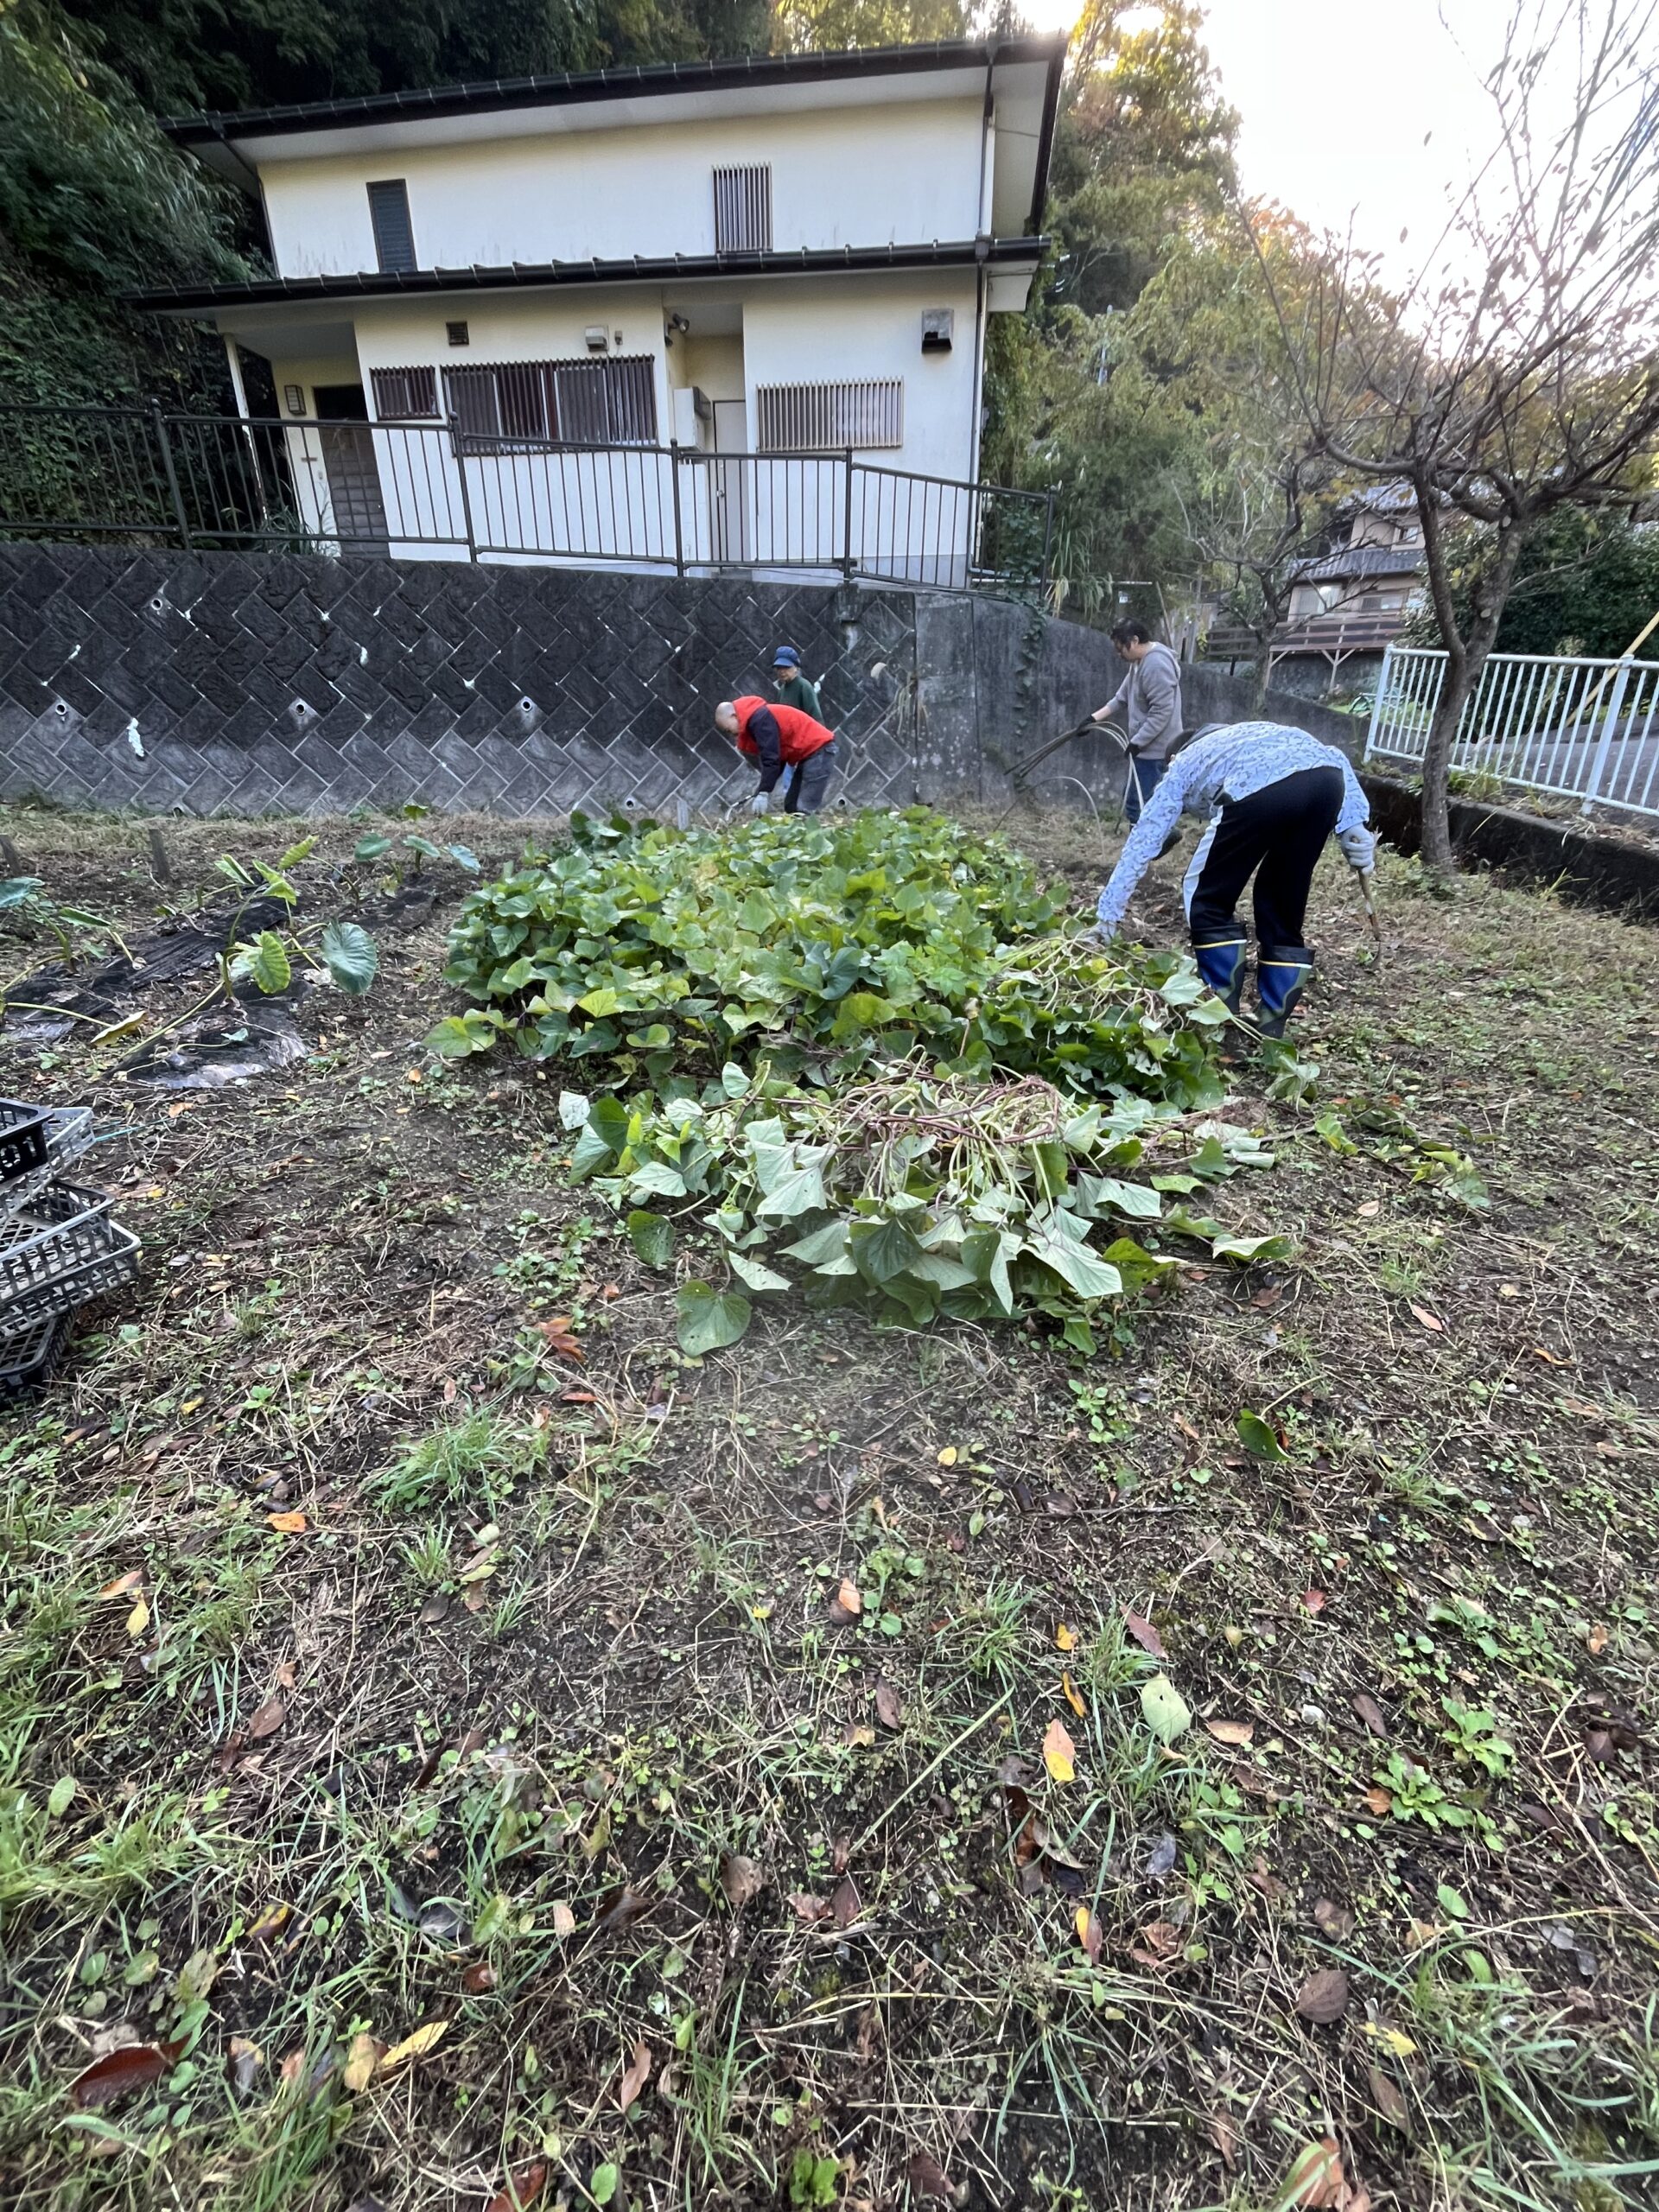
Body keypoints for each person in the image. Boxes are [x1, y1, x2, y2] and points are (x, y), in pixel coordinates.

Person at [1093, 720, 1377, 1037]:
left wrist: (1107, 916)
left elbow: (1142, 842)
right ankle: (1271, 1023)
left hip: (1259, 785)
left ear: (1173, 758)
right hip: (1327, 784)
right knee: (1281, 899)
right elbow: (1333, 756)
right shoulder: (1248, 735)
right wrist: (1354, 823)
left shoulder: (1182, 763)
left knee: (1205, 896)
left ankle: (1219, 1011)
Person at [1091, 620, 1184, 822]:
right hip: (1145, 748)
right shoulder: (1138, 664)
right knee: (1140, 802)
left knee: (1138, 806)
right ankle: (1160, 835)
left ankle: (1152, 838)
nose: (1119, 654)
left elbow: (1162, 712)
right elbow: (1121, 698)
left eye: (1120, 649)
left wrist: (1137, 742)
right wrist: (1093, 719)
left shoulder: (1156, 665)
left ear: (1134, 641)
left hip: (1156, 751)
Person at [715, 695, 838, 815]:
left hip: (819, 750)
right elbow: (777, 760)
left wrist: (764, 792)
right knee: (792, 806)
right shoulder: (757, 720)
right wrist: (762, 789)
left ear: (733, 716)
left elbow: (771, 758)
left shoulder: (760, 719)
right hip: (809, 755)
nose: (730, 734)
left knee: (803, 808)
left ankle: (811, 827)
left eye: (728, 729)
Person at [771, 645, 823, 722]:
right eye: (779, 668)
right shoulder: (782, 690)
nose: (782, 671)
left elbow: (816, 717)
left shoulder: (804, 686)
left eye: (786, 667)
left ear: (796, 668)